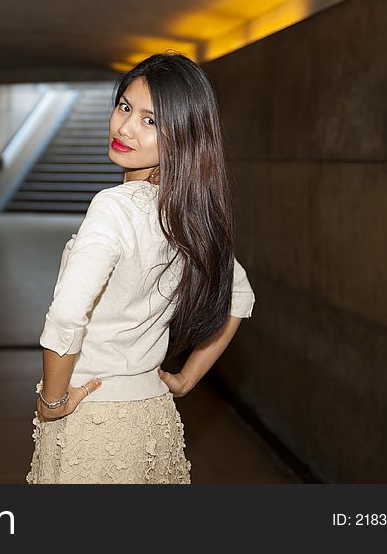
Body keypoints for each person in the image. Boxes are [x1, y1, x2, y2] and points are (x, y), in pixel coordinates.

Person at [25, 51, 256, 484]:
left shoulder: (113, 208)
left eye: (151, 121)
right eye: (125, 107)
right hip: (152, 417)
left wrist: (52, 402)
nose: (125, 127)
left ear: (184, 136)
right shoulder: (187, 212)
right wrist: (186, 379)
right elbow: (239, 294)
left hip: (93, 422)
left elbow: (67, 316)